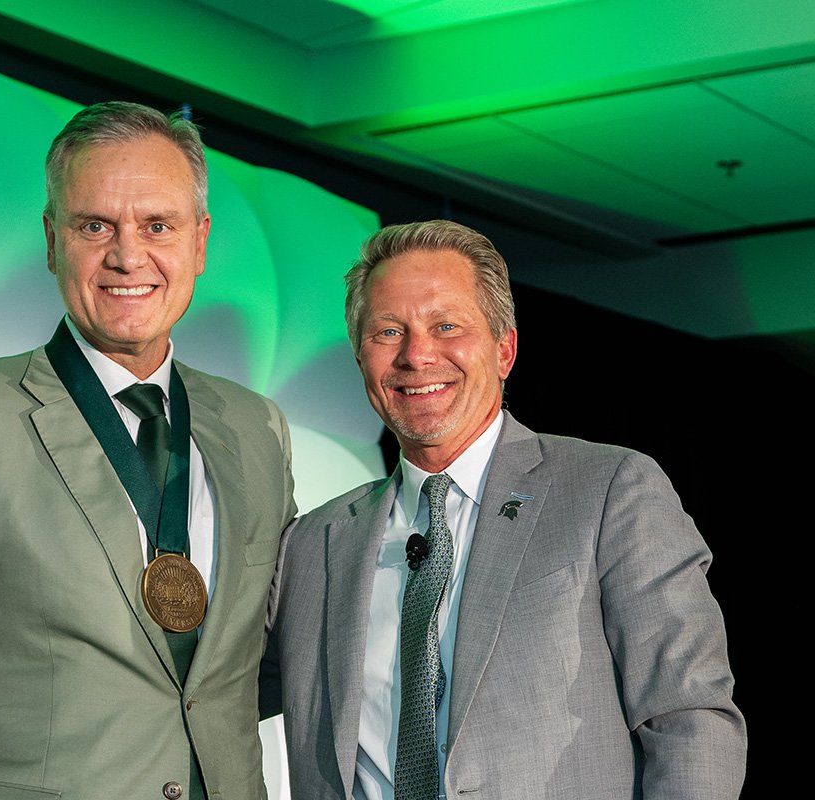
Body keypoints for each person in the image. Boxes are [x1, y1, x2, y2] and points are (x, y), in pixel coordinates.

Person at [0, 102, 296, 800]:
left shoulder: (257, 428)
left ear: (200, 242)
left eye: (158, 226)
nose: (127, 255)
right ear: (53, 240)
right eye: (96, 226)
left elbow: (253, 666)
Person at [262, 220, 746, 799]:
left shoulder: (610, 490)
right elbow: (206, 695)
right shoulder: (310, 545)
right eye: (388, 332)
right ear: (360, 357)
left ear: (504, 349)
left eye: (447, 326)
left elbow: (688, 717)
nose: (417, 355)